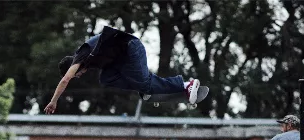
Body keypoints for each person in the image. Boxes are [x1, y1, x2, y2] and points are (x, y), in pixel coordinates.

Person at [44, 26, 202, 115]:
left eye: (76, 74)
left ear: (72, 65)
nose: (78, 75)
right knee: (106, 78)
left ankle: (186, 85)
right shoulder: (89, 59)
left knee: (146, 84)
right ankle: (146, 87)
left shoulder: (80, 55)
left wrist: (53, 101)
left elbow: (65, 80)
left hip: (131, 48)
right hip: (122, 59)